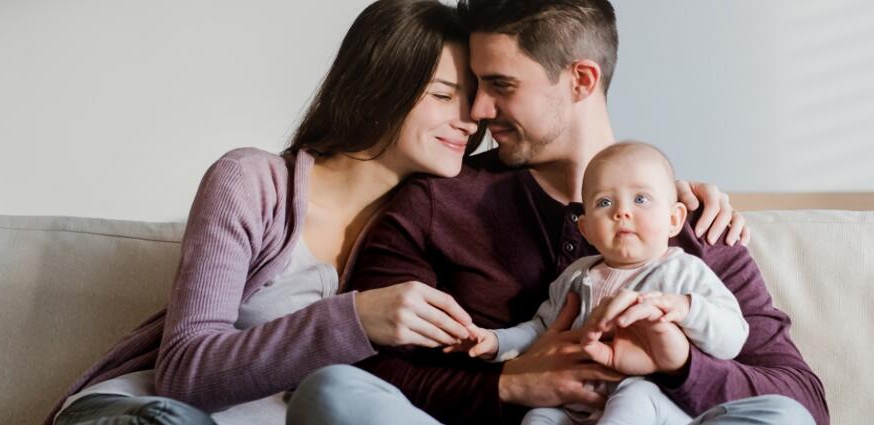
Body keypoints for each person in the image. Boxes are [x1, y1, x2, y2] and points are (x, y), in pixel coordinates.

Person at [46, 1, 747, 423]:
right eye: (449, 93)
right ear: (383, 88)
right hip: (153, 411)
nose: (473, 114)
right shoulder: (253, 183)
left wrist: (658, 204)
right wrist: (359, 318)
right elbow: (187, 373)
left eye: (483, 90)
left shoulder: (424, 214)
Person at [288, 0, 829, 424]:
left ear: (581, 80)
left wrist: (680, 366)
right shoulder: (438, 202)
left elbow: (801, 397)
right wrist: (507, 384)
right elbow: (365, 365)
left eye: (500, 85)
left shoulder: (690, 220)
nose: (477, 111)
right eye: (477, 86)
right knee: (332, 393)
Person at [451, 142, 754, 425]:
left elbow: (733, 338)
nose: (621, 212)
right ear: (586, 230)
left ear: (674, 219)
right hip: (576, 400)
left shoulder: (684, 271)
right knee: (539, 416)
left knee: (633, 397)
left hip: (650, 399)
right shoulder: (576, 275)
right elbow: (540, 329)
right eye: (604, 202)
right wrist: (496, 343)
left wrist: (686, 308)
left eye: (641, 199)